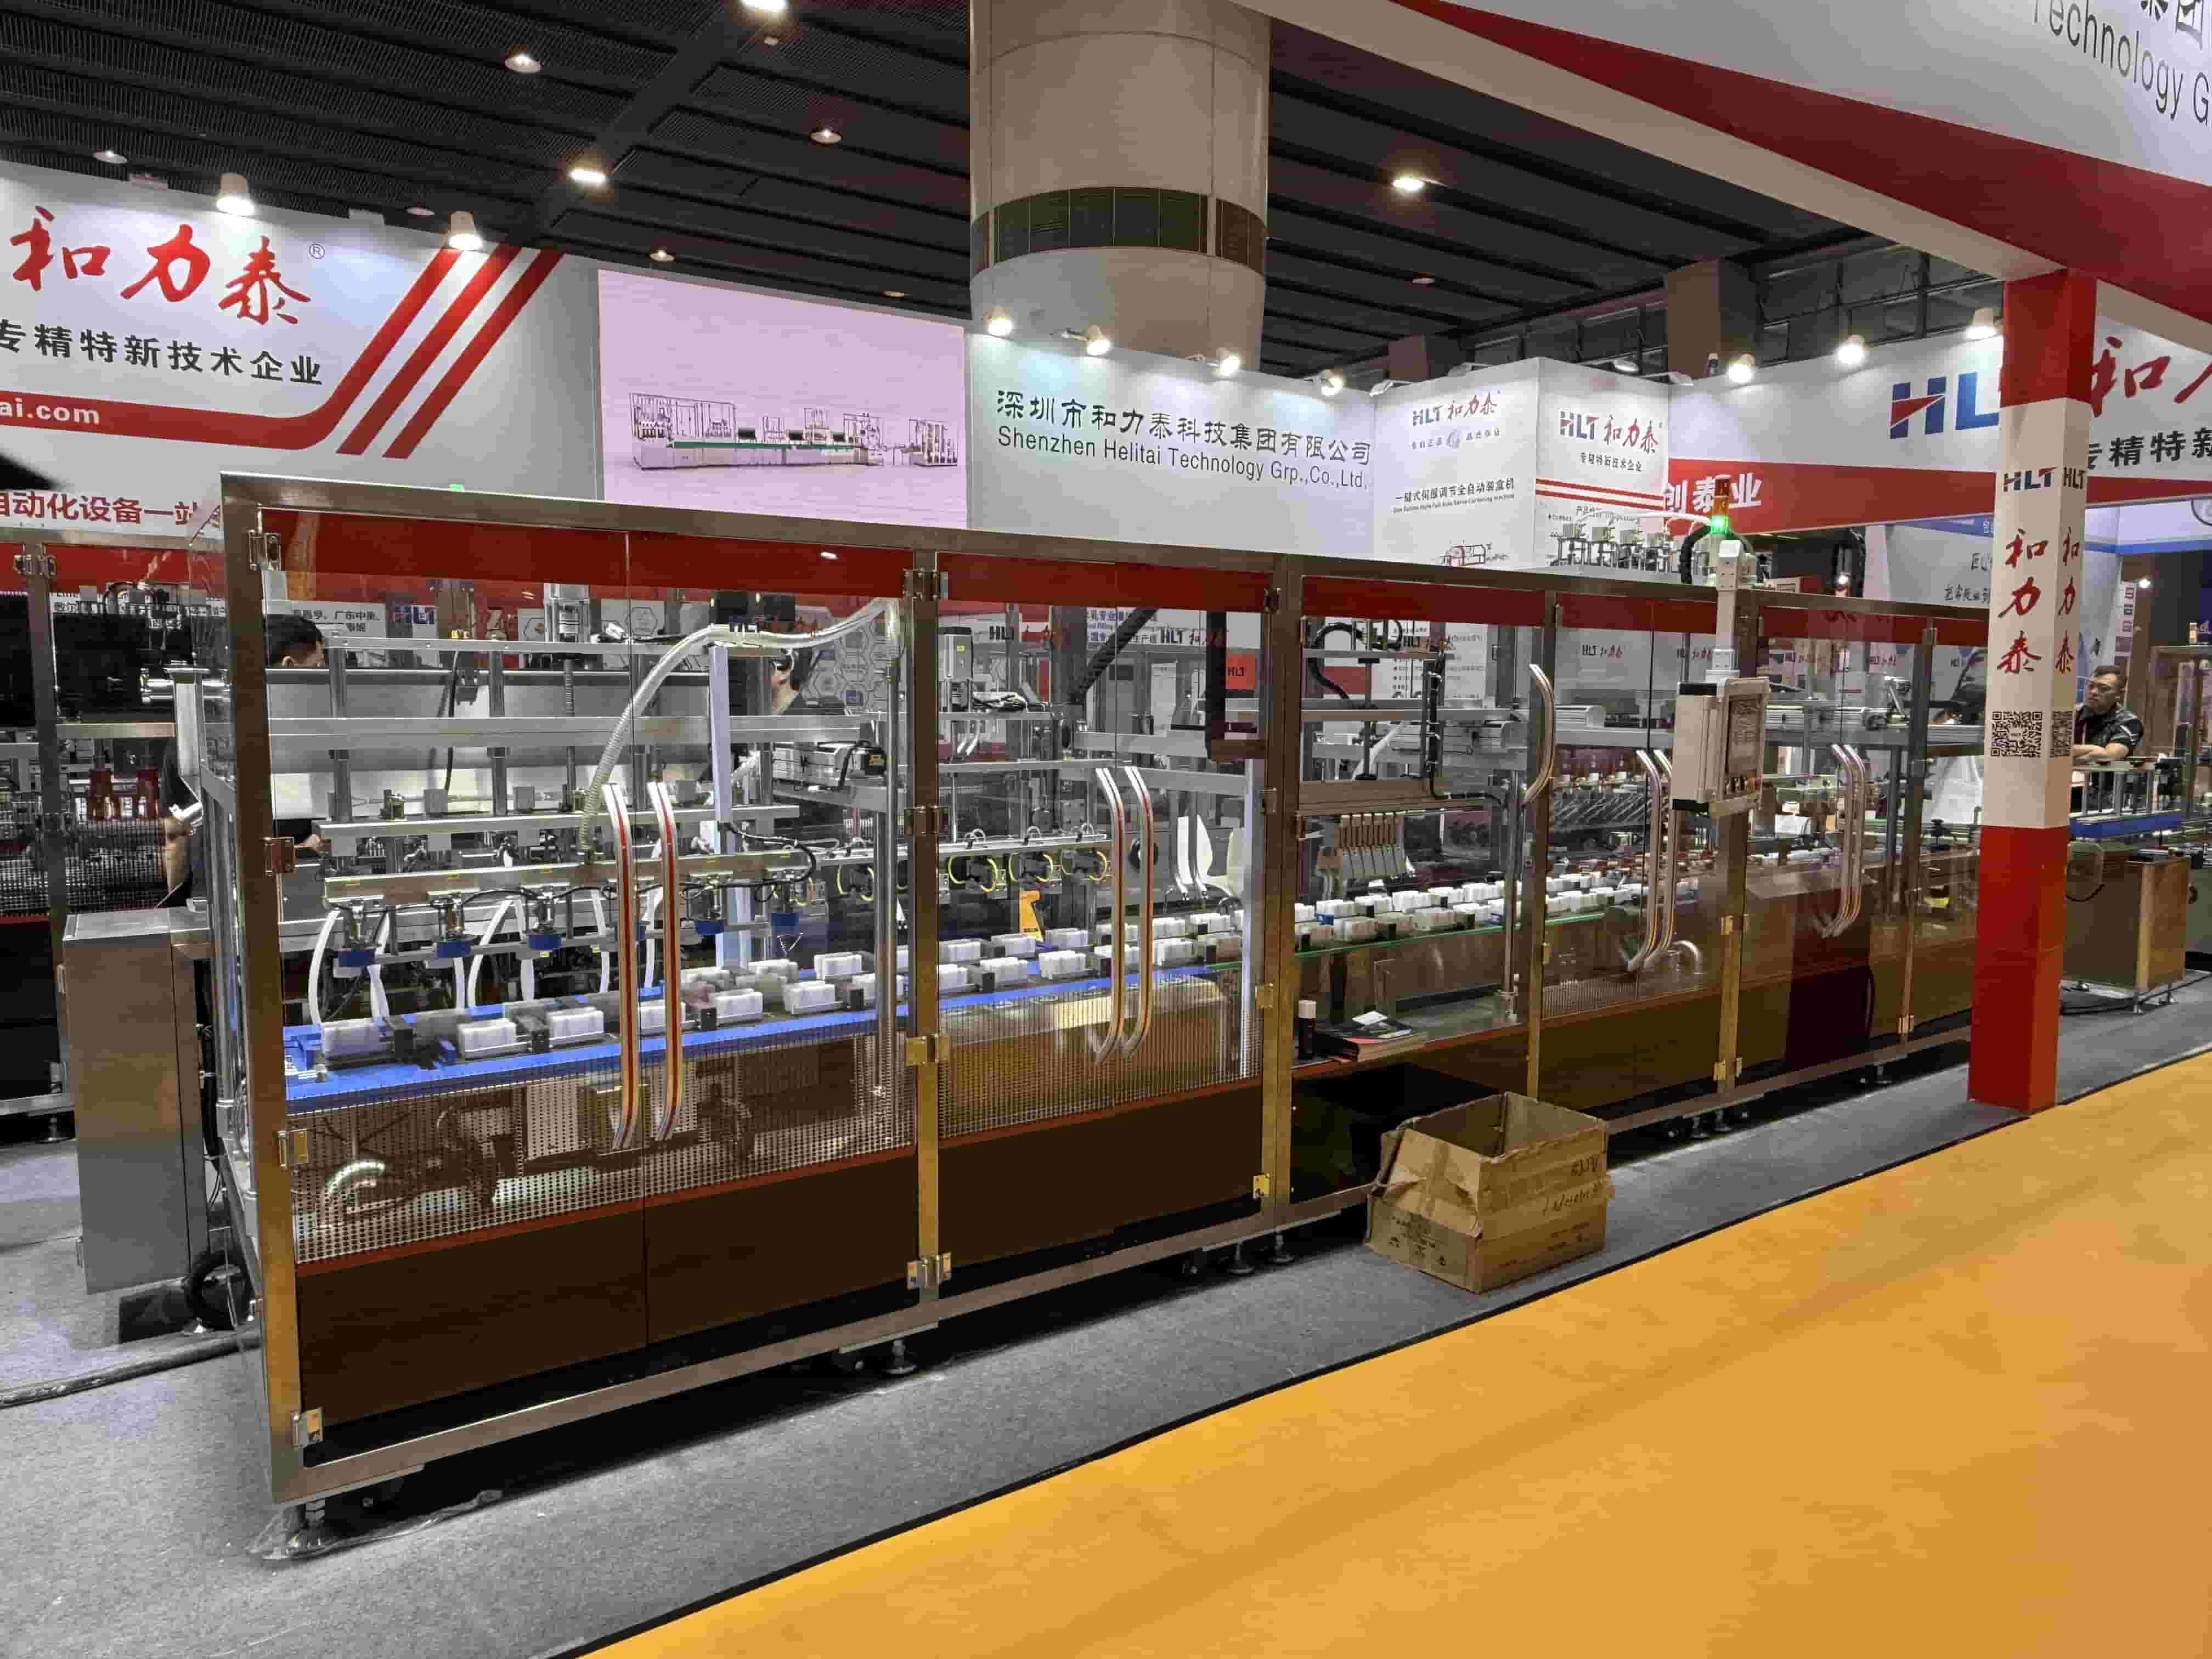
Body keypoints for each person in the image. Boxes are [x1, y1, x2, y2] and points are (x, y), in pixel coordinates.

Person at [159, 613, 329, 898]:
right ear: (288, 667)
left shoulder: (195, 734)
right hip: (291, 891)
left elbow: (175, 836)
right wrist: (310, 847)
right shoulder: (309, 736)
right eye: (319, 666)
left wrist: (180, 903)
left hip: (216, 895)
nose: (324, 677)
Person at [2071, 664, 2143, 762]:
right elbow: (2053, 750)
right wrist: (2095, 749)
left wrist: (2070, 754)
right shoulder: (2072, 713)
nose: (2094, 692)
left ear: (2119, 694)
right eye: (2091, 686)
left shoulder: (2129, 721)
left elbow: (2109, 756)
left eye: (2104, 688)